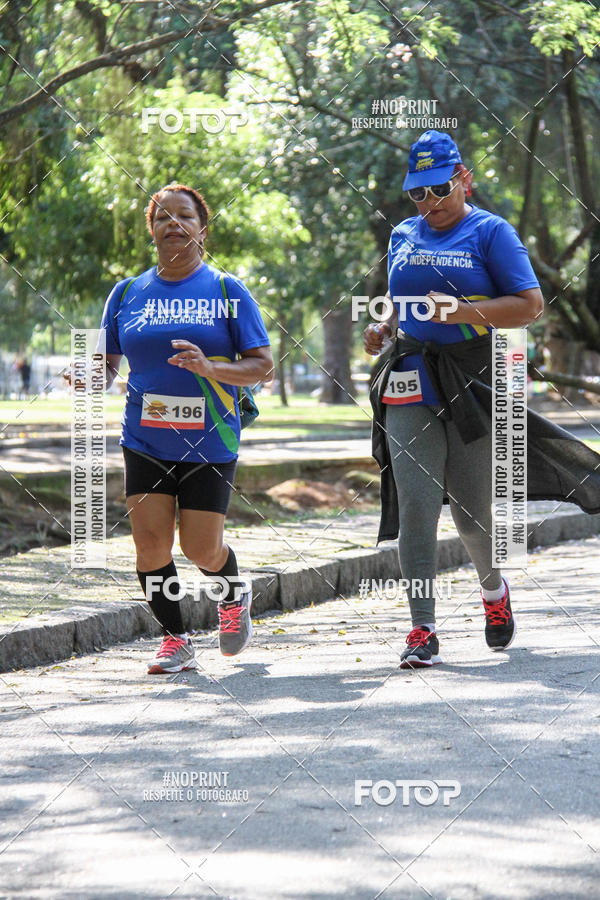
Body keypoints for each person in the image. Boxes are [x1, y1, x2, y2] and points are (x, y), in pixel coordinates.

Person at [365, 130, 600, 669]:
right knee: (419, 507)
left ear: (463, 179)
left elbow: (530, 305)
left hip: (474, 380)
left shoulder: (491, 232)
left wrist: (463, 313)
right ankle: (421, 627)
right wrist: (382, 326)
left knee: (472, 515)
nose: (430, 203)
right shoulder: (403, 235)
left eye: (440, 190)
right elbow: (402, 303)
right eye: (418, 194)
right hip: (411, 376)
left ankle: (494, 592)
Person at [100, 182, 273, 674]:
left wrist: (210, 368)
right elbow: (109, 364)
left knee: (201, 548)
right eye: (162, 218)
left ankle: (233, 589)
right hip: (144, 437)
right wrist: (89, 374)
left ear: (202, 228)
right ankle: (176, 639)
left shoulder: (226, 290)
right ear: (151, 231)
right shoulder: (127, 292)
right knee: (150, 543)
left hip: (210, 438)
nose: (173, 224)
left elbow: (263, 366)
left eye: (185, 217)